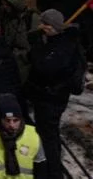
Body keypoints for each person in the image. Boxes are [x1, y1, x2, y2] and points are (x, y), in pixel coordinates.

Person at [26, 9, 85, 179]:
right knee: (48, 132)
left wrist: (37, 47)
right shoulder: (60, 41)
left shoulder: (62, 46)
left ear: (53, 26)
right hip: (48, 95)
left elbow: (44, 67)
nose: (41, 27)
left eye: (45, 24)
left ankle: (53, 172)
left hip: (52, 98)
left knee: (48, 134)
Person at [0, 94, 45, 179]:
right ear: (0, 119)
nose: (12, 125)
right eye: (7, 120)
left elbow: (41, 169)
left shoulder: (33, 137)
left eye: (15, 120)